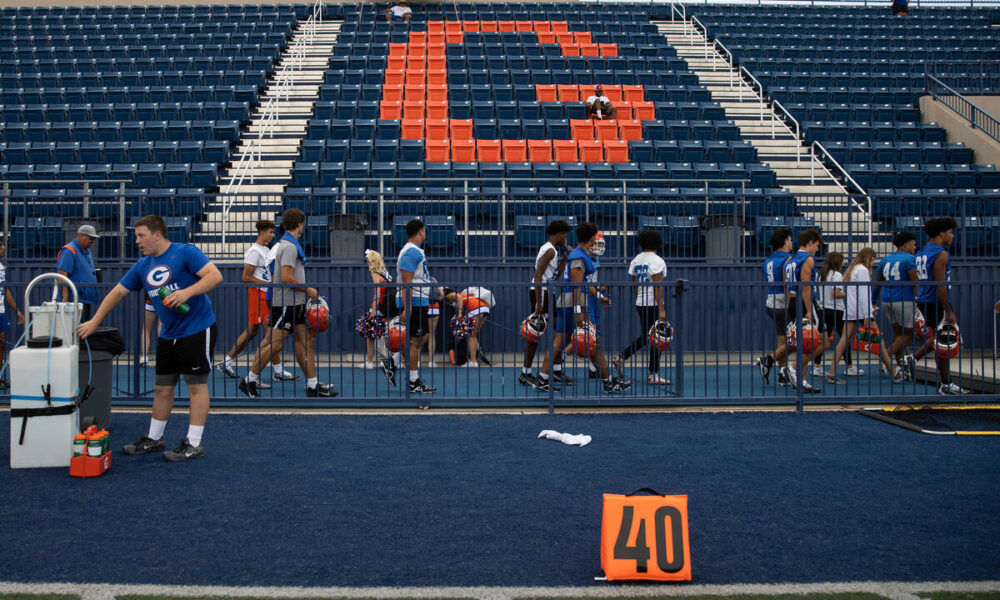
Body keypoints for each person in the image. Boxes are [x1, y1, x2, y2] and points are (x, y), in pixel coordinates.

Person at [77, 214, 223, 461]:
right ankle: (154, 439)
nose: (137, 241)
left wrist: (186, 293)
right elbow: (118, 292)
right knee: (161, 388)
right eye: (136, 236)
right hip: (168, 333)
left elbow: (214, 276)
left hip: (197, 329)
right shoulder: (143, 264)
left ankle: (193, 443)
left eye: (141, 236)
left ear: (157, 235)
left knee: (196, 386)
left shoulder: (185, 252)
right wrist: (94, 321)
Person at [240, 209, 335, 398]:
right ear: (299, 223)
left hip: (293, 303)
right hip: (286, 304)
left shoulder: (286, 244)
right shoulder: (289, 247)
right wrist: (308, 289)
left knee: (304, 342)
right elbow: (286, 276)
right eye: (303, 223)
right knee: (275, 345)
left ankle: (312, 385)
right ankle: (248, 380)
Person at [538, 223, 628, 393]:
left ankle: (543, 378)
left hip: (568, 301)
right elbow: (577, 285)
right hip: (575, 303)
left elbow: (582, 284)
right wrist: (579, 312)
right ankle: (608, 382)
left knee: (559, 342)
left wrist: (599, 297)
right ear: (592, 237)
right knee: (593, 342)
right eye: (595, 235)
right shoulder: (579, 256)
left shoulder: (579, 254)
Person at [904, 217, 968, 395]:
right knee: (946, 341)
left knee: (940, 340)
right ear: (941, 233)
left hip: (924, 300)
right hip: (934, 300)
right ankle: (945, 383)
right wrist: (948, 310)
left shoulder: (921, 252)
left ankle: (915, 360)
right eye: (950, 232)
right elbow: (941, 286)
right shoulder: (941, 254)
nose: (952, 236)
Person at [826, 248, 902, 384]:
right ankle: (893, 372)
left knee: (843, 341)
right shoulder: (862, 270)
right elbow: (863, 293)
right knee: (880, 342)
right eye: (872, 260)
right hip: (861, 311)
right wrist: (868, 314)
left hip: (851, 310)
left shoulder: (853, 269)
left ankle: (831, 372)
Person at [220, 219, 276, 379]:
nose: (273, 235)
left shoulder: (265, 250)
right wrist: (268, 284)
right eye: (270, 232)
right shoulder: (254, 251)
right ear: (262, 232)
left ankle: (227, 361)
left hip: (264, 293)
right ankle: (277, 371)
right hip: (259, 294)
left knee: (252, 332)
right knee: (271, 335)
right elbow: (245, 277)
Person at [613, 230, 669, 385]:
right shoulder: (657, 261)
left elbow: (635, 284)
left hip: (641, 302)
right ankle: (653, 374)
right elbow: (657, 286)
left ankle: (623, 357)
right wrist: (662, 308)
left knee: (648, 336)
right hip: (653, 303)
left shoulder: (636, 260)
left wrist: (639, 297)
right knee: (656, 338)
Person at [520, 219, 570, 390]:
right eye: (565, 235)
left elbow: (553, 276)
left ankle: (555, 369)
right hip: (540, 293)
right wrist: (539, 303)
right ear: (559, 234)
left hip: (547, 292)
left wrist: (565, 259)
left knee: (560, 329)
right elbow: (538, 275)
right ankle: (525, 373)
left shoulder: (554, 251)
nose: (566, 238)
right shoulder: (549, 250)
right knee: (535, 334)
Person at [781, 229, 825, 393]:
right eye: (816, 245)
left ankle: (802, 380)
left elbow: (786, 284)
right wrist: (808, 309)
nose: (817, 249)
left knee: (805, 343)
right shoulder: (808, 259)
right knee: (822, 341)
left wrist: (791, 301)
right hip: (805, 302)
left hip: (793, 300)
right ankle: (793, 368)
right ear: (809, 243)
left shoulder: (790, 260)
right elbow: (806, 286)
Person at [397, 219, 437, 395]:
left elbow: (416, 277)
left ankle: (409, 375)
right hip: (414, 301)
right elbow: (407, 282)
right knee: (414, 342)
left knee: (416, 340)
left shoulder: (414, 251)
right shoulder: (411, 252)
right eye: (425, 230)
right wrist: (409, 307)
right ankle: (413, 382)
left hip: (418, 300)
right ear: (420, 231)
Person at [875, 232, 920, 379]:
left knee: (898, 335)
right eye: (913, 244)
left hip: (887, 299)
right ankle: (886, 356)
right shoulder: (910, 259)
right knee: (909, 335)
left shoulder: (886, 259)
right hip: (904, 299)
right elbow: (915, 282)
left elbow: (877, 283)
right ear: (906, 244)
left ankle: (900, 366)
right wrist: (919, 301)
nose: (915, 247)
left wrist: (872, 301)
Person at [755, 227, 793, 387]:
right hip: (783, 302)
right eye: (790, 240)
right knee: (796, 340)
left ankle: (783, 372)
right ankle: (768, 360)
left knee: (782, 337)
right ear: (785, 241)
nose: (792, 243)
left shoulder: (768, 261)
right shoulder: (787, 259)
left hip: (770, 301)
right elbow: (787, 283)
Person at [813, 251, 855, 377]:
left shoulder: (823, 274)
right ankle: (850, 366)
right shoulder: (837, 275)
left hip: (825, 309)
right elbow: (835, 293)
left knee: (823, 340)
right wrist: (846, 293)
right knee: (844, 339)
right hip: (837, 310)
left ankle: (817, 366)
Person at [363, 249, 396, 385]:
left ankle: (371, 361)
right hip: (388, 307)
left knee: (369, 334)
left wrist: (372, 311)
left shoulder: (376, 274)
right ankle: (393, 360)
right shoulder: (386, 273)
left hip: (379, 307)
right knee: (390, 333)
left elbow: (377, 294)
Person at [57, 224, 100, 320]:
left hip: (86, 299)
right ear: (80, 236)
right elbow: (62, 274)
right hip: (75, 300)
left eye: (94, 238)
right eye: (90, 238)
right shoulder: (69, 250)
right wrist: (65, 298)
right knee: (75, 329)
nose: (92, 241)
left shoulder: (87, 251)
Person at [441, 288, 491, 367]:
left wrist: (459, 314)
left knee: (470, 336)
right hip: (484, 308)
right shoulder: (463, 296)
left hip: (476, 309)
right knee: (473, 335)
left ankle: (473, 362)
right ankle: (473, 361)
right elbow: (465, 308)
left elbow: (459, 298)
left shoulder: (449, 296)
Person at [0, 237, 25, 389]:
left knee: (1, 345)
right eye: (1, 245)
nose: (3, 248)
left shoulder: (2, 267)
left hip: (1, 311)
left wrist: (17, 310)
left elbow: (5, 289)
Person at [139, 299, 159, 367]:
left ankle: (144, 357)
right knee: (162, 329)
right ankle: (160, 358)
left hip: (152, 299)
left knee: (146, 328)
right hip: (163, 299)